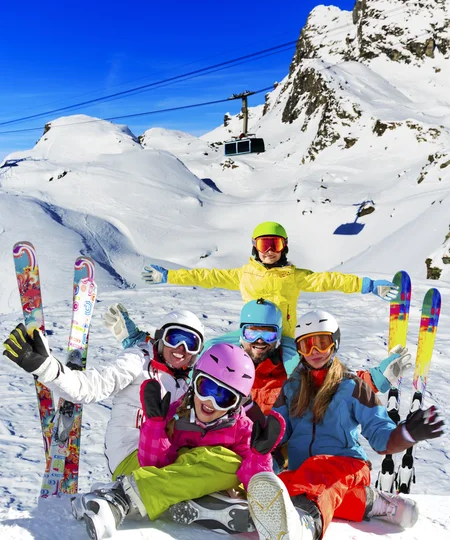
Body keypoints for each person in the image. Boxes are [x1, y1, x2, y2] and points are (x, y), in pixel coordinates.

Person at [245, 310, 445, 540]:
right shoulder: (291, 388)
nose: (315, 352)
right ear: (299, 350)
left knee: (316, 473)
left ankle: (306, 523)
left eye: (322, 343)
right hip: (307, 474)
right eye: (307, 345)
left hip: (347, 464)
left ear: (334, 342)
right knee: (285, 485)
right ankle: (374, 502)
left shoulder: (352, 386)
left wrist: (406, 434)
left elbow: (380, 435)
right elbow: (278, 430)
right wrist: (258, 431)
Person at [71, 343, 286, 540]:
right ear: (194, 383)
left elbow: (256, 485)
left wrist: (259, 456)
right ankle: (122, 497)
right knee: (220, 460)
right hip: (166, 476)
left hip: (203, 483)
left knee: (232, 463)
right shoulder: (176, 415)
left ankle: (198, 502)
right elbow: (153, 465)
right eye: (206, 388)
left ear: (235, 405)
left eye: (224, 397)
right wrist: (155, 426)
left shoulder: (242, 429)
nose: (210, 402)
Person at [108, 299, 412, 416]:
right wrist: (136, 340)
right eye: (253, 333)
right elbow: (179, 357)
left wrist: (376, 379)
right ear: (241, 332)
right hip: (221, 438)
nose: (258, 343)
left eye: (267, 335)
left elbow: (333, 381)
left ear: (277, 336)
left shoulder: (290, 362)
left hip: (271, 447)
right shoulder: (221, 355)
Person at [3, 309, 205, 482]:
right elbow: (91, 386)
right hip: (132, 454)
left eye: (191, 343)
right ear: (161, 337)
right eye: (175, 338)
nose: (181, 349)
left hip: (163, 454)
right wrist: (47, 368)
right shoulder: (137, 361)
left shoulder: (186, 380)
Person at [141, 221, 399, 339]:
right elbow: (205, 276)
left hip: (283, 339)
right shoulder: (243, 275)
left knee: (290, 380)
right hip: (249, 337)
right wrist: (168, 276)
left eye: (275, 243)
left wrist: (369, 286)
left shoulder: (294, 277)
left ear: (284, 247)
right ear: (254, 247)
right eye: (264, 244)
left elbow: (330, 280)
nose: (269, 250)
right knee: (211, 351)